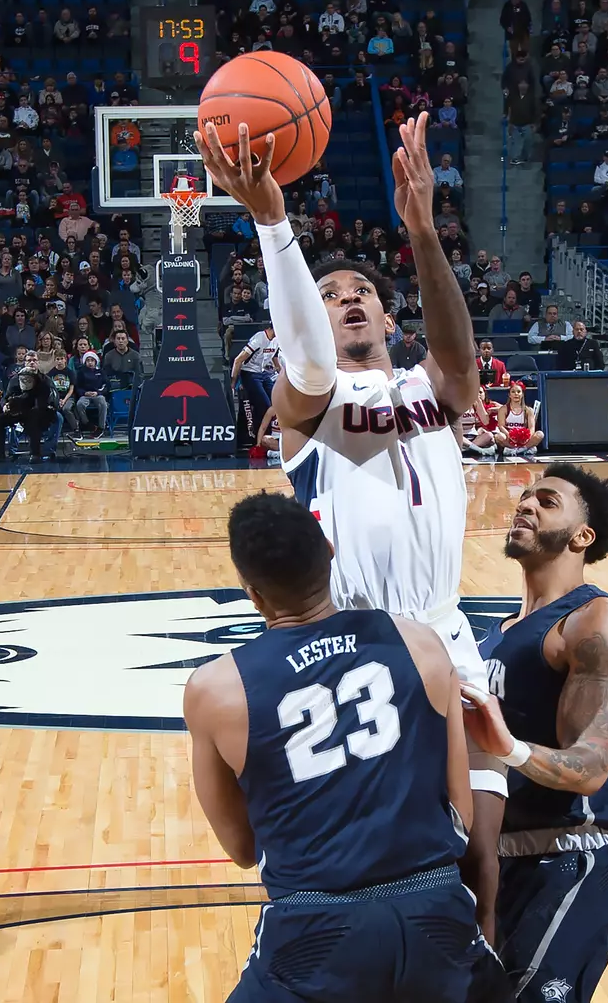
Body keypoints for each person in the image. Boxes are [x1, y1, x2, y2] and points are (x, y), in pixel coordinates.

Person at [200, 114, 503, 937]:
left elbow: (463, 363)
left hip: (447, 626)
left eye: (362, 291)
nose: (349, 301)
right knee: (384, 866)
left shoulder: (427, 388)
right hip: (364, 647)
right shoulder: (308, 407)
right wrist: (273, 224)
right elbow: (304, 361)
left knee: (483, 857)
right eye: (331, 297)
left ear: (388, 315)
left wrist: (421, 231)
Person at [182, 492, 484, 1002]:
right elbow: (463, 811)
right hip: (435, 912)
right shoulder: (419, 642)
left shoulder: (217, 689)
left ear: (252, 593)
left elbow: (240, 848)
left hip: (314, 930)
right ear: (330, 549)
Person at [462, 465, 608, 1003]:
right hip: (495, 867)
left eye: (546, 501)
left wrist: (510, 749)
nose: (526, 506)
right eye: (523, 499)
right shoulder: (492, 638)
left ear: (582, 536)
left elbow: (590, 766)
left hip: (570, 862)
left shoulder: (593, 625)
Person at [232, 324, 280, 440]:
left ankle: (271, 436)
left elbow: (275, 358)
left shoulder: (277, 340)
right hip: (250, 373)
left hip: (264, 373)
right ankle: (259, 437)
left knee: (276, 403)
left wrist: (281, 372)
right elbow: (238, 359)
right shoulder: (259, 338)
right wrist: (233, 383)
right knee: (266, 406)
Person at [492, 381, 542, 460]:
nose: (516, 394)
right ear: (509, 395)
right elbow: (501, 426)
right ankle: (516, 448)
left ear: (522, 394)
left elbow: (532, 428)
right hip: (509, 438)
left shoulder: (529, 410)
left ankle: (521, 449)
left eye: (518, 392)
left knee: (540, 434)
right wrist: (510, 436)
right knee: (498, 436)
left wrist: (526, 437)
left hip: (524, 439)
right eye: (513, 392)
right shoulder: (503, 409)